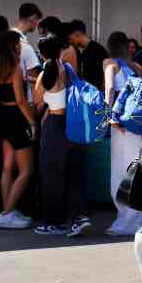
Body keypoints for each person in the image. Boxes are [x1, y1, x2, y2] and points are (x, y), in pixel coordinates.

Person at [33, 35, 90, 237]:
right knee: (74, 174)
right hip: (74, 126)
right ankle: (79, 216)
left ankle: (54, 222)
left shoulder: (44, 74)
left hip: (55, 126)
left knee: (52, 175)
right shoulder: (69, 69)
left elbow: (38, 102)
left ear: (41, 53)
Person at [0, 30, 36, 231]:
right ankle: (7, 213)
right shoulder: (14, 68)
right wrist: (32, 121)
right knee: (27, 170)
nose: (20, 46)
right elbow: (21, 99)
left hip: (3, 117)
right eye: (18, 43)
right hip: (16, 118)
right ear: (12, 46)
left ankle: (7, 209)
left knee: (8, 167)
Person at [104, 31, 142, 237]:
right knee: (140, 168)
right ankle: (141, 219)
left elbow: (110, 87)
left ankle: (125, 222)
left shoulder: (109, 62)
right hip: (140, 125)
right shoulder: (136, 67)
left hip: (121, 124)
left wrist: (109, 114)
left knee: (121, 170)